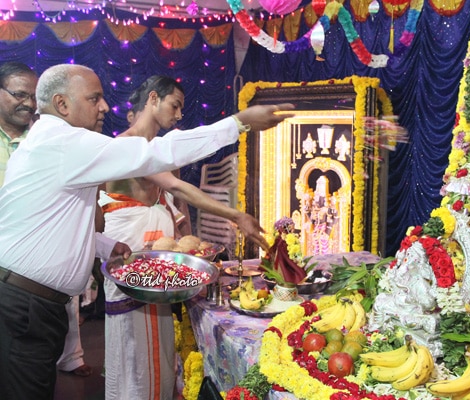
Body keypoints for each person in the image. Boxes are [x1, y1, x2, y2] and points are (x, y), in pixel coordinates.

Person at [0, 63, 293, 400]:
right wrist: (239, 122)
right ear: (62, 104)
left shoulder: (53, 143)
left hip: (30, 303)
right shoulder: (66, 143)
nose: (105, 107)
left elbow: (48, 221)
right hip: (25, 305)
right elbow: (156, 156)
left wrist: (103, 245)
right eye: (94, 98)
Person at [100, 75, 271, 400]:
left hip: (157, 264)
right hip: (131, 262)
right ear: (153, 99)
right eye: (174, 105)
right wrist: (236, 216)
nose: (179, 115)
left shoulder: (157, 151)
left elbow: (174, 203)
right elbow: (179, 189)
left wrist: (186, 244)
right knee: (134, 351)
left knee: (161, 350)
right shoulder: (127, 146)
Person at [0, 61, 93, 379]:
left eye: (33, 95)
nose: (27, 102)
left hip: (29, 291)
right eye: (18, 93)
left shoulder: (46, 142)